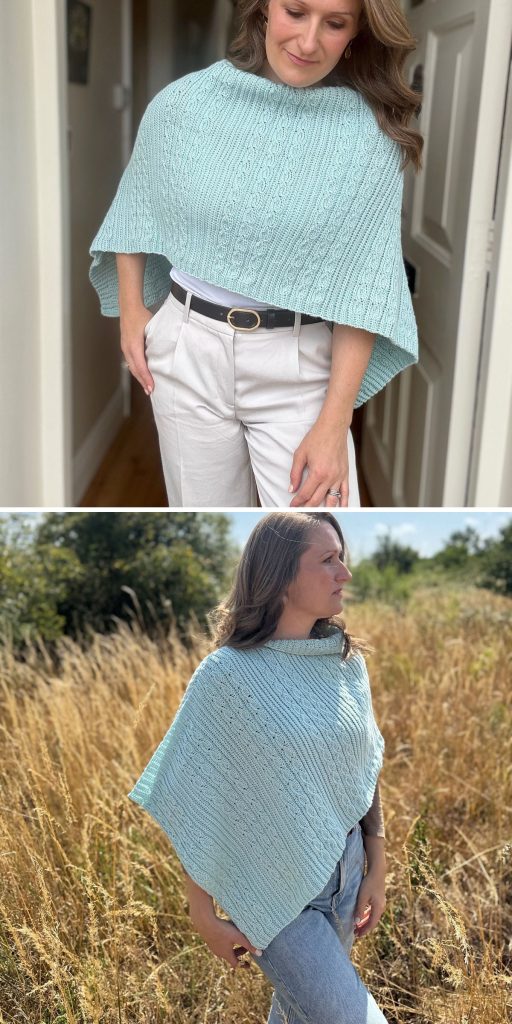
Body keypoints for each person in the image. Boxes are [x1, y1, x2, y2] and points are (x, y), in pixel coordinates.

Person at [89, 0, 422, 510]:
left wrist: (336, 423)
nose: (308, 42)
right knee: (206, 523)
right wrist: (132, 311)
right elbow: (138, 204)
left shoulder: (371, 137)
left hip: (297, 362)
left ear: (356, 34)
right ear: (264, 9)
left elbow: (365, 289)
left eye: (334, 24)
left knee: (318, 528)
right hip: (185, 348)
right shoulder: (184, 105)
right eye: (295, 12)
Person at [128, 510, 389, 1023]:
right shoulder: (227, 675)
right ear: (281, 576)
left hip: (348, 871)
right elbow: (198, 794)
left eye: (344, 558)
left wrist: (377, 863)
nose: (345, 573)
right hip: (274, 890)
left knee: (299, 1015)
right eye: (328, 560)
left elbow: (363, 766)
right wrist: (202, 913)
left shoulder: (344, 661)